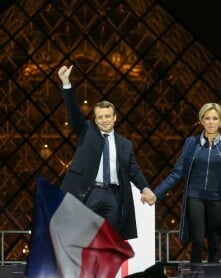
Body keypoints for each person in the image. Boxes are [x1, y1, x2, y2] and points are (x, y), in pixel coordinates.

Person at [57, 65, 155, 240]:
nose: (104, 120)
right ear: (95, 120)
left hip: (114, 197)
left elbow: (134, 170)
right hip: (90, 192)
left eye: (107, 116)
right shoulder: (86, 131)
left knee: (110, 242)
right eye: (100, 117)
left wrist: (145, 188)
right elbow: (73, 113)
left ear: (115, 117)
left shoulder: (125, 144)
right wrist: (66, 83)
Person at [143, 102, 221, 263]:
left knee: (214, 242)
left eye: (215, 118)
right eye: (207, 118)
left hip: (217, 199)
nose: (211, 122)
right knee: (198, 241)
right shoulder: (191, 142)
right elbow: (177, 172)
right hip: (195, 197)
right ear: (201, 120)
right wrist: (156, 194)